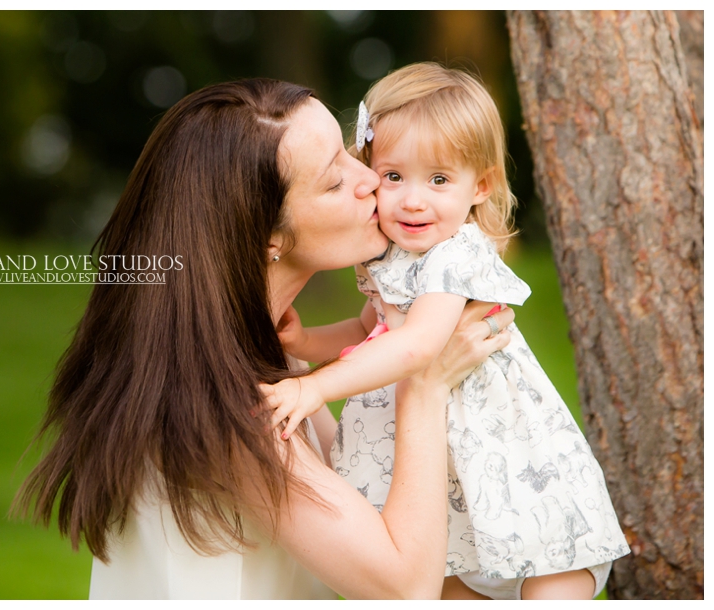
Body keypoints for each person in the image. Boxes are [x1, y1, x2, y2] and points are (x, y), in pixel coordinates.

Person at [13, 78, 515, 600]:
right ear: (266, 234)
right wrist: (425, 380)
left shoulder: (263, 357)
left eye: (349, 153)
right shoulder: (228, 405)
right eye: (333, 181)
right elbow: (404, 587)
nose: (369, 178)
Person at [266, 64, 630, 600]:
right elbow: (372, 331)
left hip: (506, 453)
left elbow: (416, 345)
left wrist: (314, 385)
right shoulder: (386, 260)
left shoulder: (455, 255)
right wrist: (303, 343)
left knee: (550, 568)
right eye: (393, 177)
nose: (413, 199)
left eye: (438, 180)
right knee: (445, 575)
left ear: (479, 185)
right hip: (442, 460)